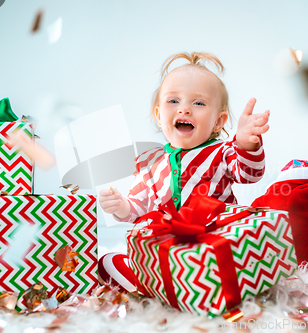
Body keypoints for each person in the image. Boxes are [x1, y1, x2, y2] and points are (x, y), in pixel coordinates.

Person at [98, 52, 270, 223]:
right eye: (173, 101)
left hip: (213, 239)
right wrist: (121, 206)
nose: (184, 109)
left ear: (218, 121)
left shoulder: (223, 152)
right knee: (120, 251)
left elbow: (249, 175)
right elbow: (139, 207)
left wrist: (245, 143)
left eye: (198, 103)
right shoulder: (150, 163)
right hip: (166, 243)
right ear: (158, 115)